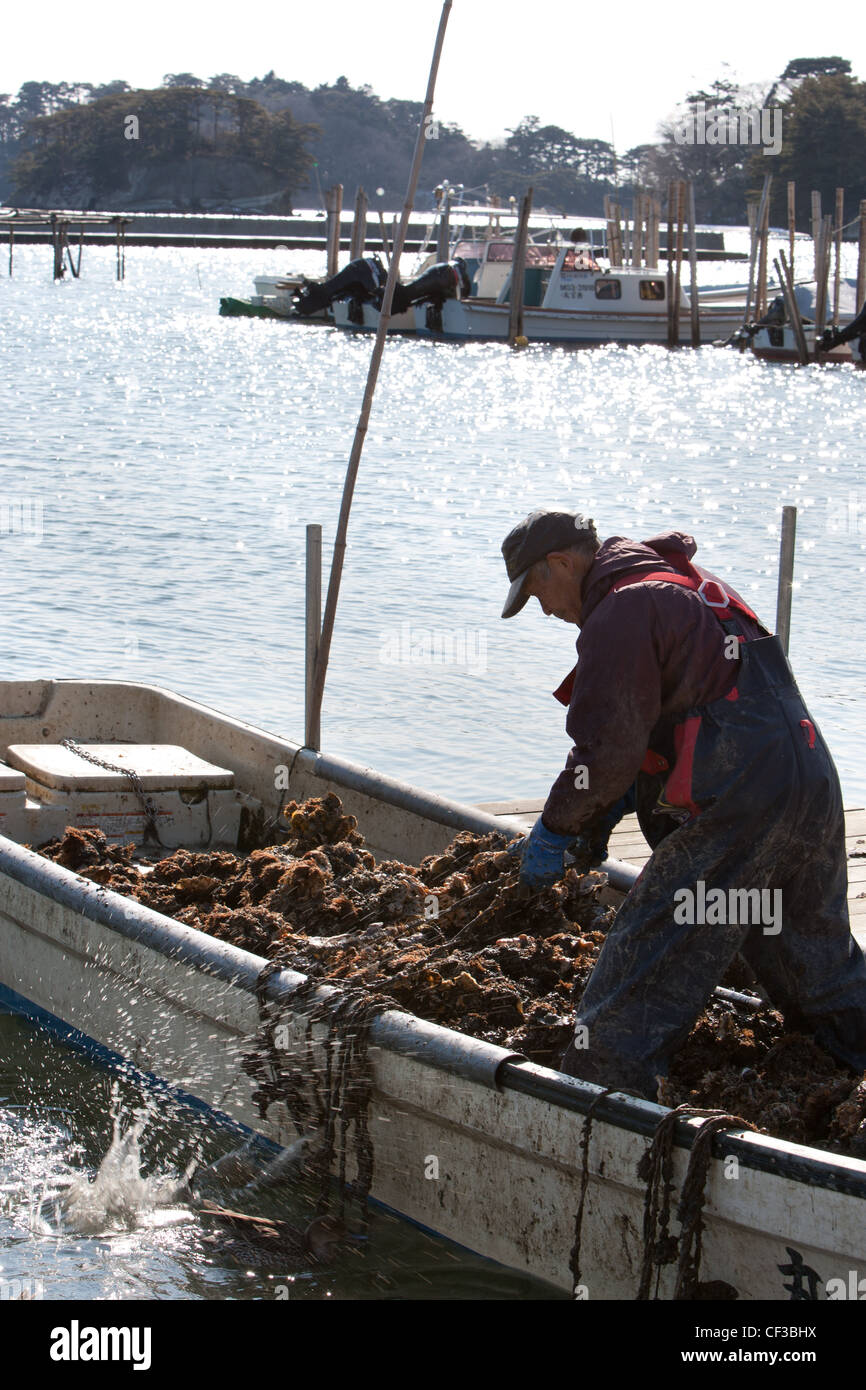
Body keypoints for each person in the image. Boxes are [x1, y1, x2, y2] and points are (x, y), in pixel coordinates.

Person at [501, 509, 866, 1099]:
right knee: (813, 959)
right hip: (808, 780)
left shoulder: (622, 609)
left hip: (736, 803)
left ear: (562, 563)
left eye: (536, 590)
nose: (542, 609)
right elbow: (674, 719)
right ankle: (853, 1087)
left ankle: (599, 1105)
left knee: (646, 963)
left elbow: (608, 749)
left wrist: (555, 827)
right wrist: (606, 807)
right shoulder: (685, 584)